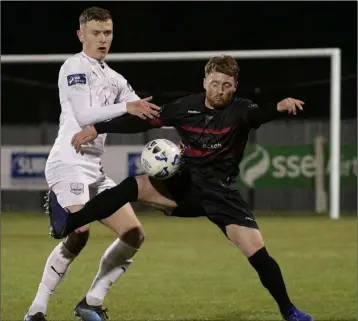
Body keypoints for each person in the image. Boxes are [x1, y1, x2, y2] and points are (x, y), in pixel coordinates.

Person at [47, 55, 313, 321]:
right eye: (216, 83)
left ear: (235, 86)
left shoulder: (240, 110)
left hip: (221, 194)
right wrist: (97, 128)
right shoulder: (185, 107)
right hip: (184, 185)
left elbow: (259, 114)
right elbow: (144, 120)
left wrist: (277, 107)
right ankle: (70, 223)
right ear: (205, 81)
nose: (220, 90)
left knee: (257, 251)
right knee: (133, 186)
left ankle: (290, 311)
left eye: (227, 85)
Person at [24, 7, 160, 321]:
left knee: (133, 234)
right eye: (96, 33)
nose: (102, 39)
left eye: (107, 33)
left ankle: (91, 301)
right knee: (80, 230)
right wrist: (126, 105)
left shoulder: (115, 78)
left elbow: (144, 113)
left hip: (94, 171)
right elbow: (85, 115)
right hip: (67, 161)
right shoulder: (73, 66)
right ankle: (37, 309)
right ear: (81, 34)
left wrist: (191, 119)